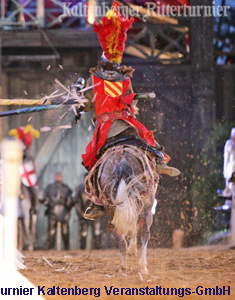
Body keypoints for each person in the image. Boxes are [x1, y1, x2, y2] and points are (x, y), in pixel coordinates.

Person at [75, 2, 180, 219]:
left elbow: (84, 105)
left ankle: (97, 203)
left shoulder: (92, 80)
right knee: (146, 141)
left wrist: (77, 98)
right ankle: (158, 160)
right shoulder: (124, 78)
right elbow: (131, 106)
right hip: (127, 125)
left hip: (106, 130)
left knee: (91, 161)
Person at [43, 173, 73, 250]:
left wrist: (67, 208)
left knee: (65, 230)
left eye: (59, 177)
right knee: (51, 230)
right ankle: (50, 248)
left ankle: (66, 248)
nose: (58, 178)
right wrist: (49, 204)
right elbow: (45, 199)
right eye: (57, 176)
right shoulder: (49, 187)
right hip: (53, 209)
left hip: (63, 209)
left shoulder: (66, 188)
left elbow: (70, 200)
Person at [75, 175, 101, 249]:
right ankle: (82, 249)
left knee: (96, 232)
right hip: (84, 214)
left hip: (94, 214)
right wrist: (80, 213)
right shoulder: (80, 188)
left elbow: (100, 202)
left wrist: (98, 212)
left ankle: (97, 249)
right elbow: (77, 202)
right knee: (83, 233)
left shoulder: (96, 188)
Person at [224, 128, 235, 195]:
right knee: (229, 192)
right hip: (231, 171)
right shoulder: (228, 144)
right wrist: (227, 184)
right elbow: (226, 161)